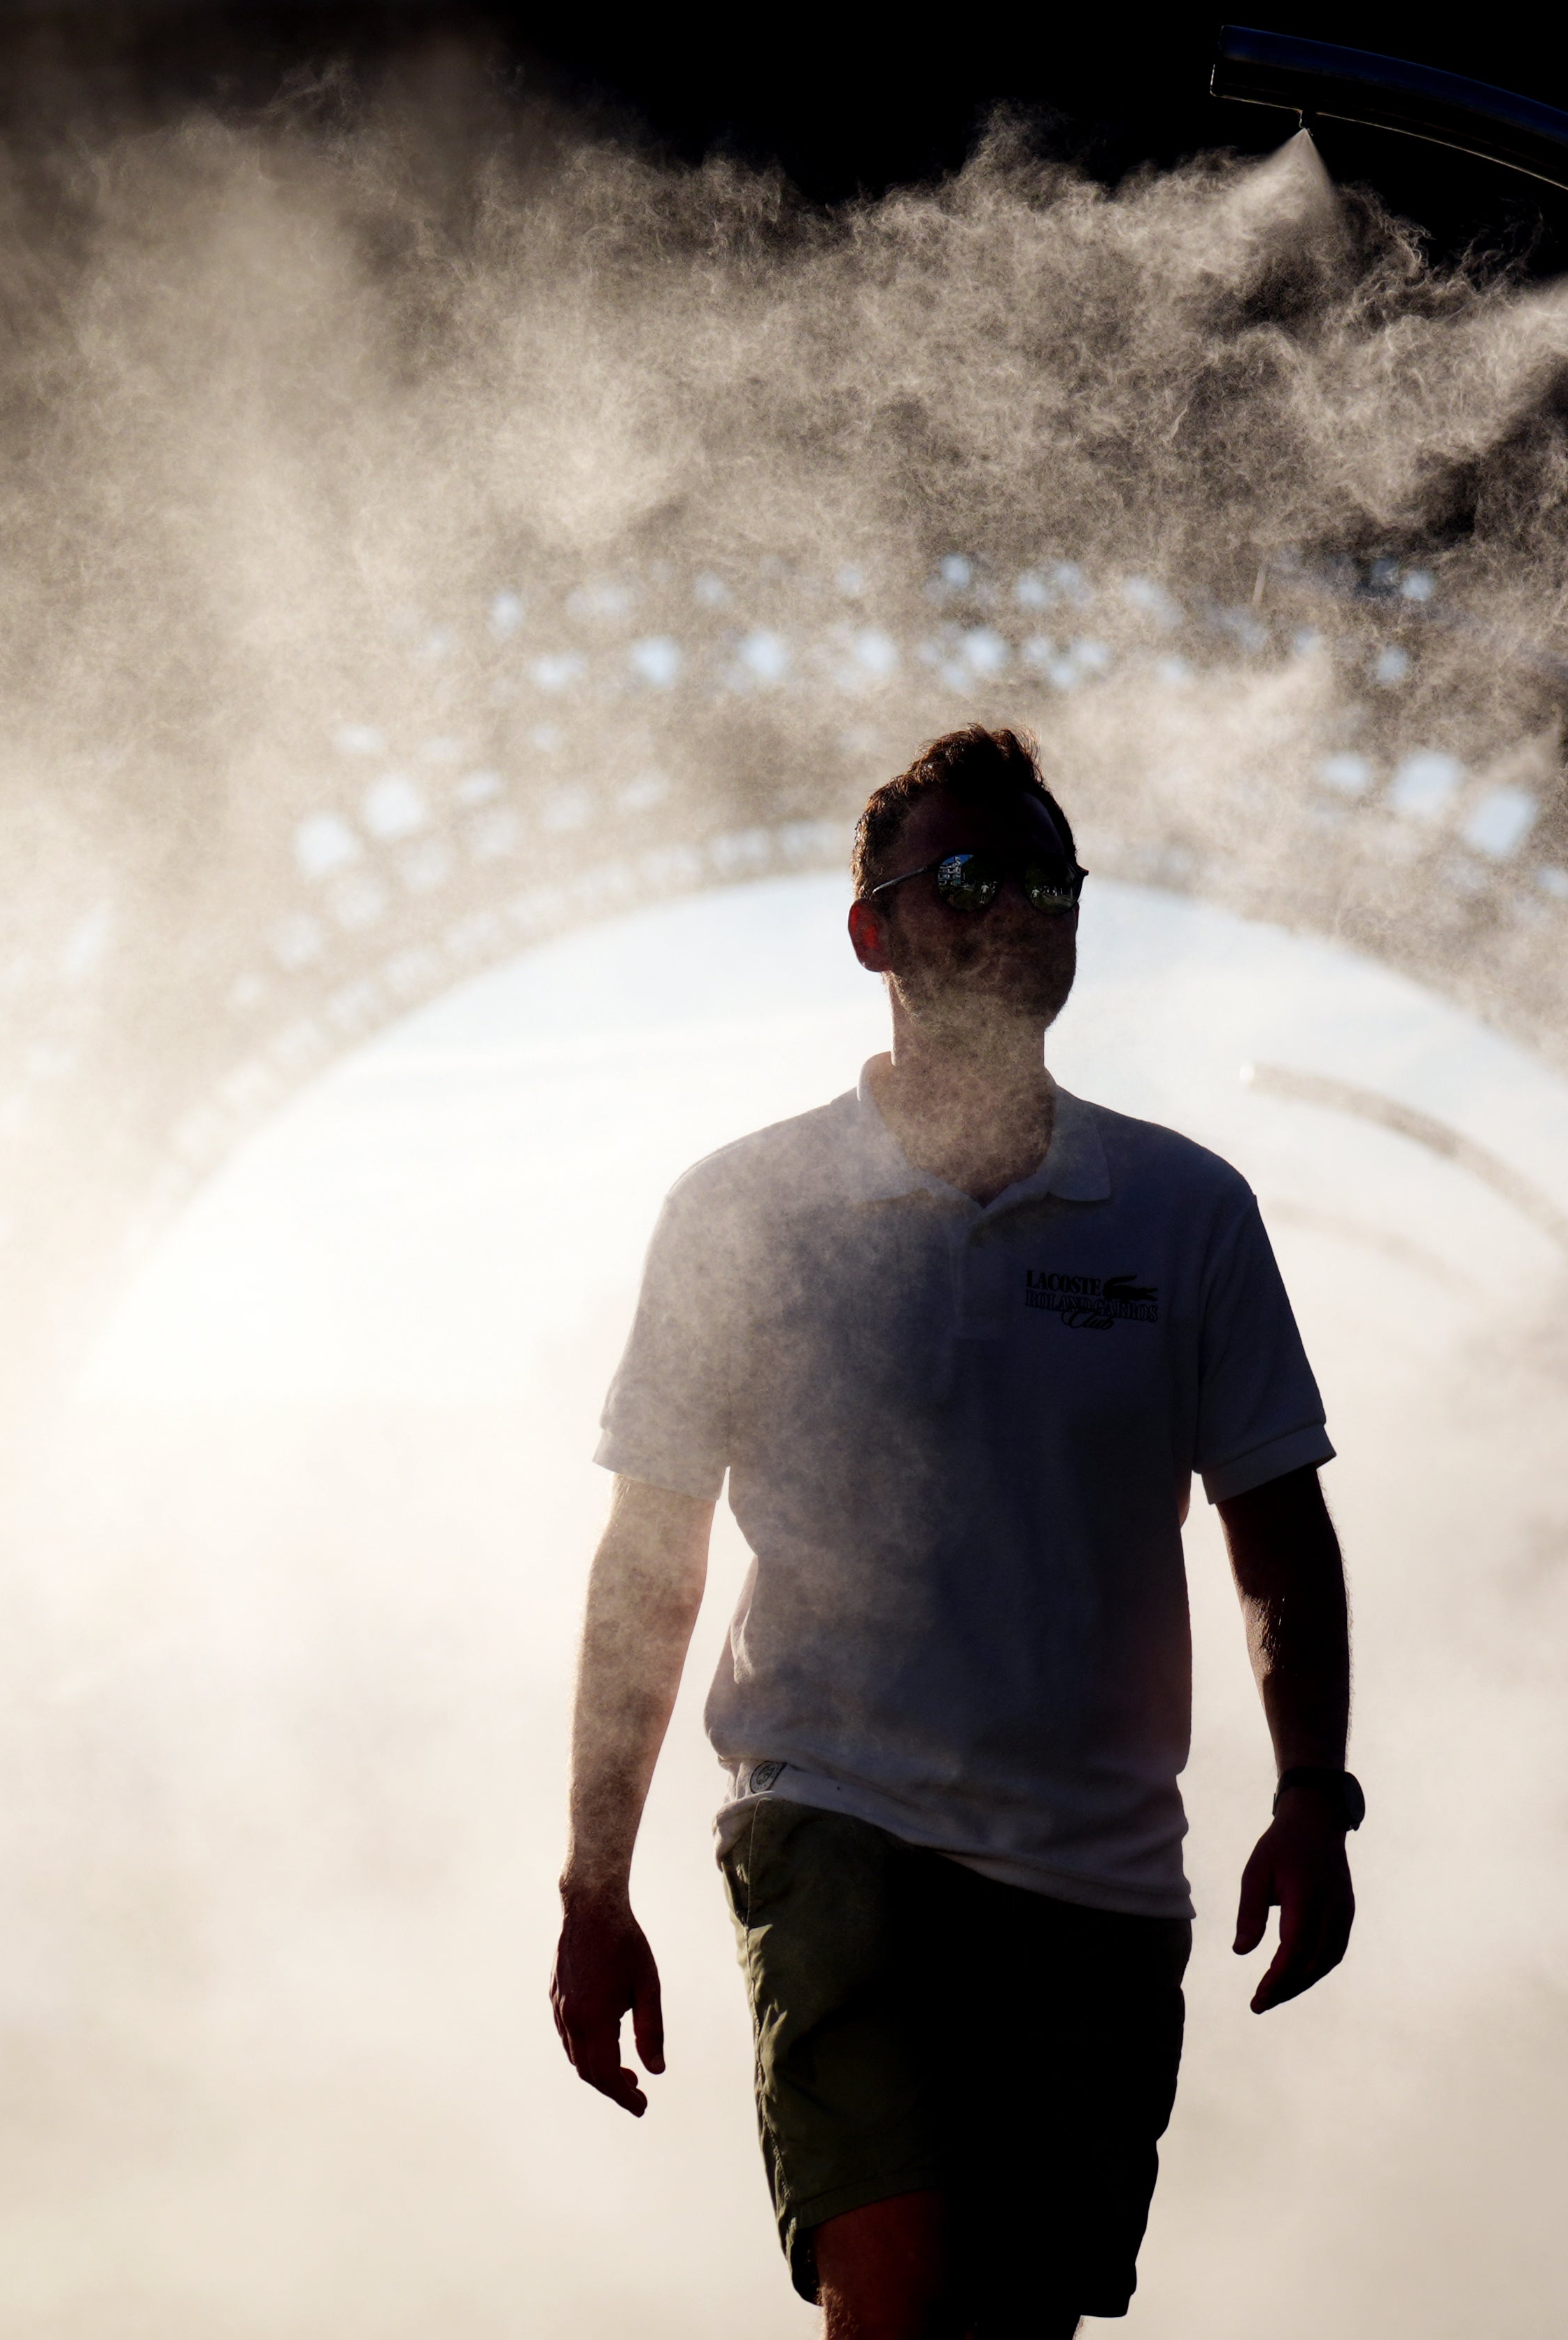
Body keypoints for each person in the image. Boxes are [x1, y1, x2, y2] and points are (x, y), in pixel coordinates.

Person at [551, 724, 1360, 2339]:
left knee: (1015, 2318)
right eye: (967, 880)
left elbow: (1277, 1530)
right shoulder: (746, 1211)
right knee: (901, 2299)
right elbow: (655, 1558)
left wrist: (1314, 1799)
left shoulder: (1184, 1212)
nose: (1011, 913)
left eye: (1047, 881)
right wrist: (594, 1879)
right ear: (874, 932)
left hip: (1104, 1875)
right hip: (841, 1829)